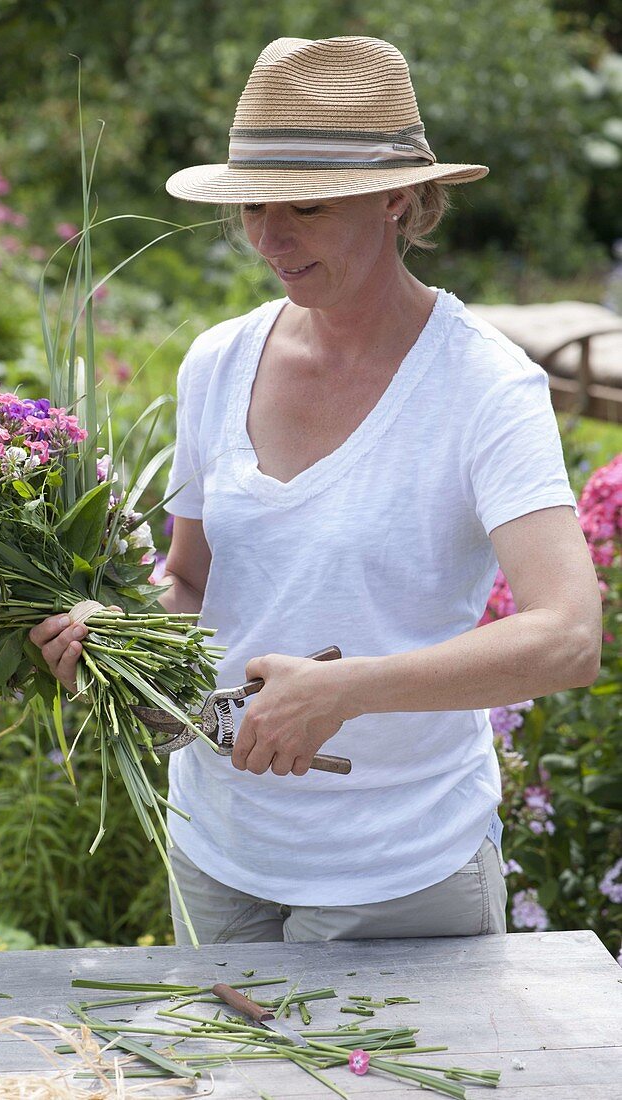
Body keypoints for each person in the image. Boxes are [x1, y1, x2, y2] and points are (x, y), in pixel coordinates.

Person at [30, 36, 602, 945]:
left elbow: (569, 638)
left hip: (403, 870)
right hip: (219, 854)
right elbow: (191, 581)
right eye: (254, 205)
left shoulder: (484, 386)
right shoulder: (219, 361)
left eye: (305, 205)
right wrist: (120, 640)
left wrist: (347, 691)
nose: (270, 237)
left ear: (401, 200)